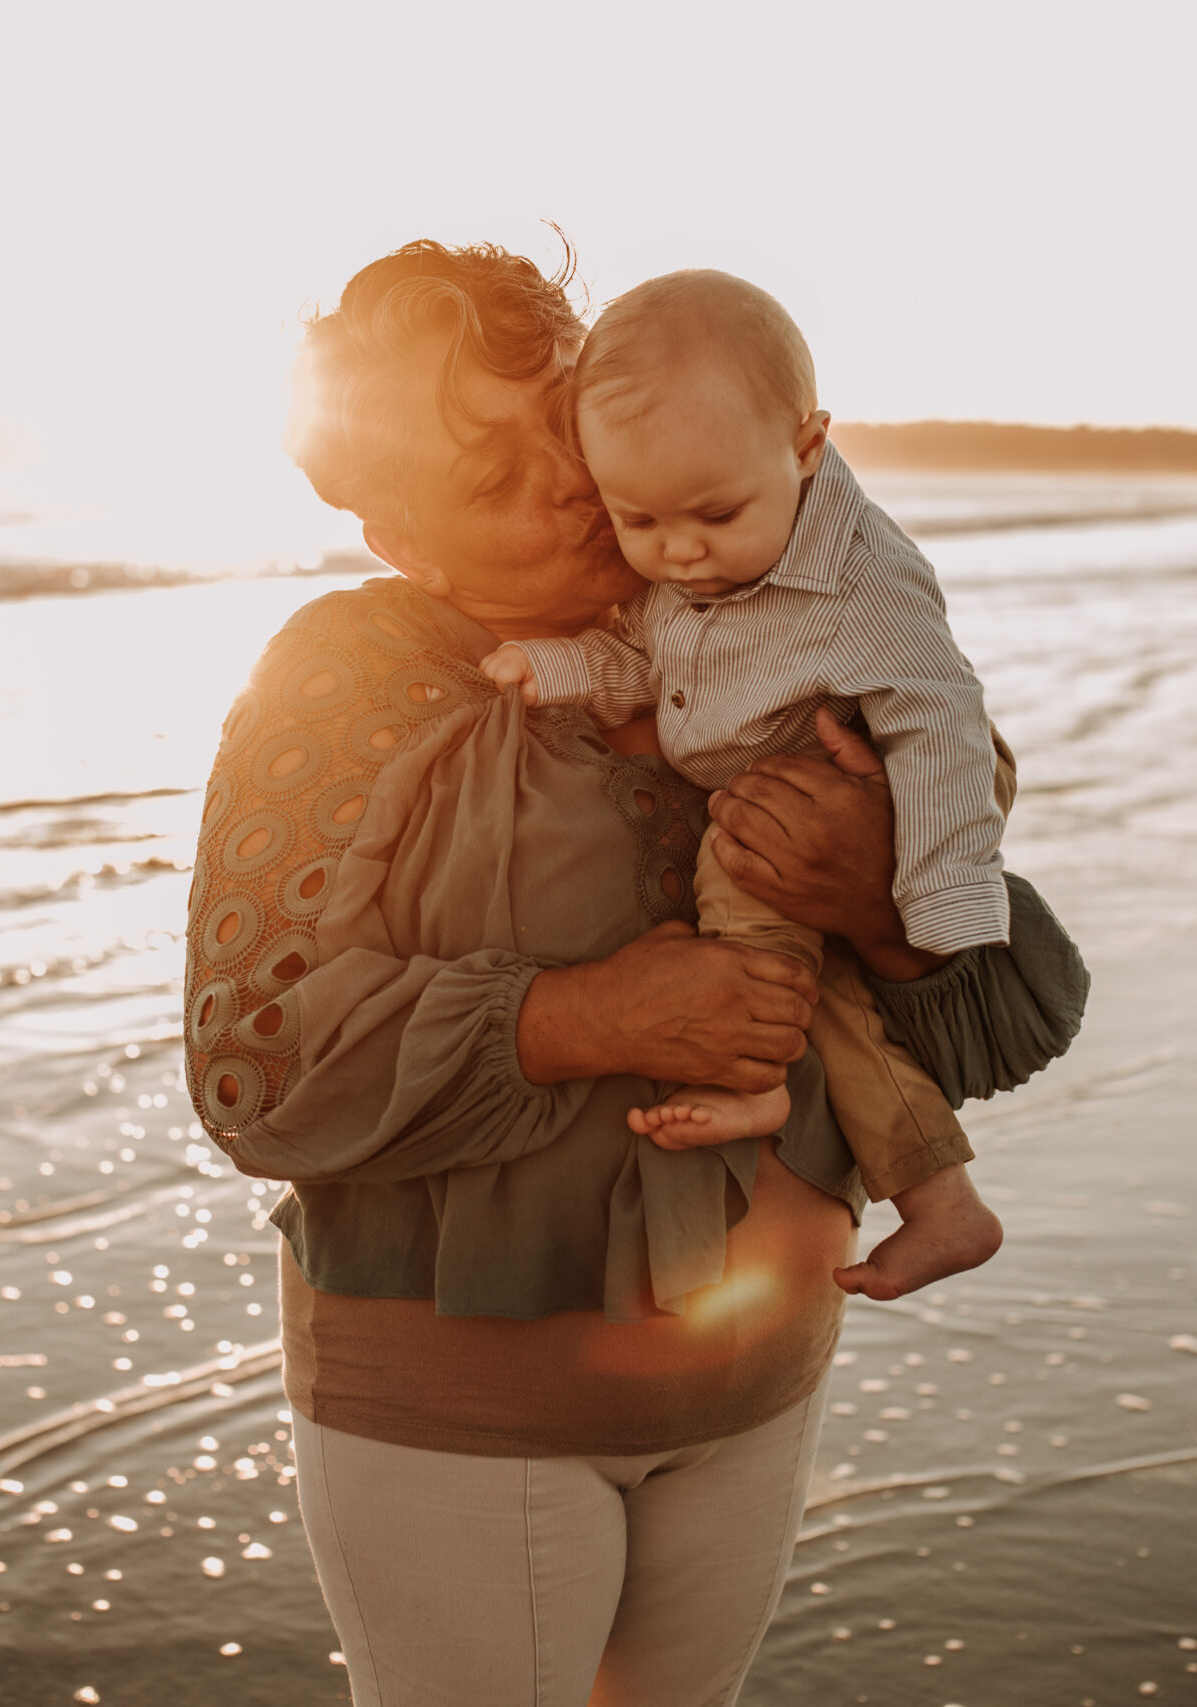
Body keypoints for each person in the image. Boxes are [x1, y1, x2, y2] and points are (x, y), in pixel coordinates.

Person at [183, 240, 1034, 1706]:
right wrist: (584, 1015)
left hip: (760, 1377)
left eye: (559, 430)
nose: (571, 491)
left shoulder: (781, 628)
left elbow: (993, 996)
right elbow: (253, 1064)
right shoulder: (346, 673)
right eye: (493, 481)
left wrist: (870, 901)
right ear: (401, 536)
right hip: (464, 1412)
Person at [479, 269, 1081, 1299]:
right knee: (841, 1010)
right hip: (781, 794)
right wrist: (558, 666)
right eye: (640, 522)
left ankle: (747, 1074)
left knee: (751, 873)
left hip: (874, 790)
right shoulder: (687, 551)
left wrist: (936, 892)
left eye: (712, 515)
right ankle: (945, 1206)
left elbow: (939, 720)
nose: (677, 552)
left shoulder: (865, 584)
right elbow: (653, 671)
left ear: (806, 447)